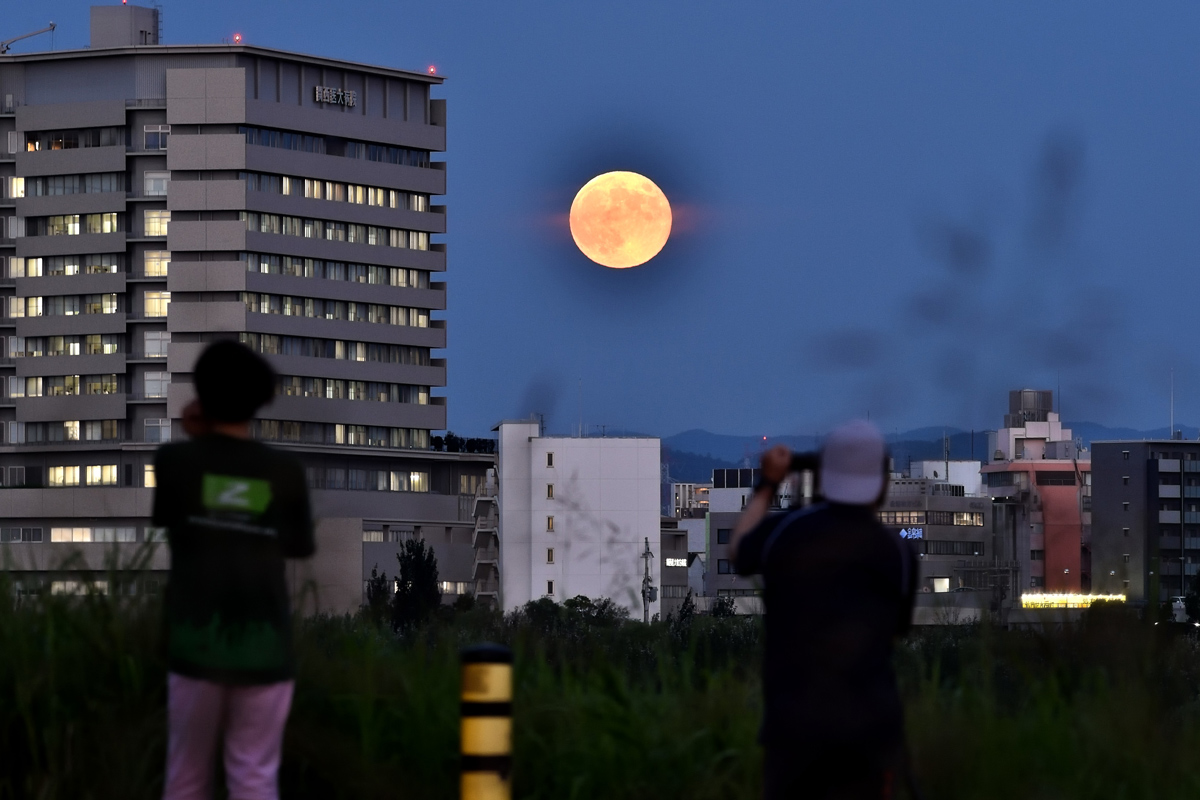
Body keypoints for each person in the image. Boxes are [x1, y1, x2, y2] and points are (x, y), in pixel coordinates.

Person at [154, 341, 315, 800]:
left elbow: (170, 521)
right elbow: (299, 546)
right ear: (260, 397)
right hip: (264, 645)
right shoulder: (285, 471)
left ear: (201, 393)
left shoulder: (175, 463)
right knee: (254, 777)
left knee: (186, 777)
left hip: (195, 641)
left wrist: (199, 436)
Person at [728, 420, 918, 800]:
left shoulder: (785, 532)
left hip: (794, 731)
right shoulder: (898, 552)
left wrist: (768, 484)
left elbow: (738, 551)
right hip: (870, 733)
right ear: (882, 483)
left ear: (824, 473)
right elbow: (896, 632)